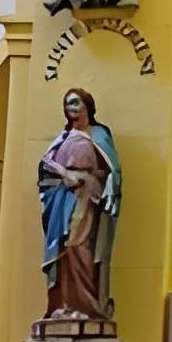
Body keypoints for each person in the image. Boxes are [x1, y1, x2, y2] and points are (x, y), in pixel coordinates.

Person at [38, 86, 121, 321]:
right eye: (67, 104)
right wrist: (63, 174)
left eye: (75, 102)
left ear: (87, 106)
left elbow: (112, 169)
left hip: (87, 194)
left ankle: (87, 306)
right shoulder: (63, 137)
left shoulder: (98, 133)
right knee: (63, 249)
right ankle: (64, 305)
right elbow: (45, 168)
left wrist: (106, 184)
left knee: (80, 246)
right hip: (62, 197)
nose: (70, 107)